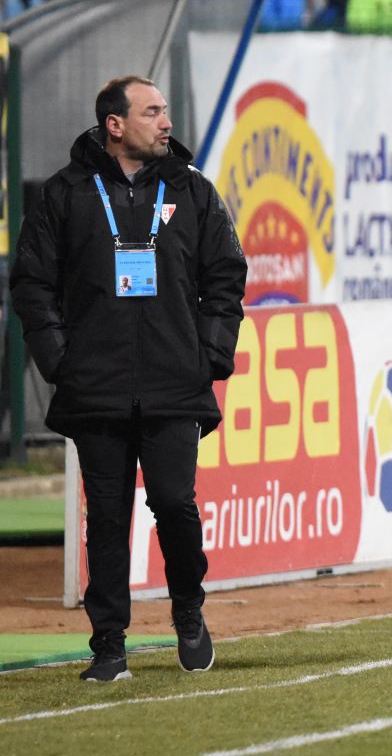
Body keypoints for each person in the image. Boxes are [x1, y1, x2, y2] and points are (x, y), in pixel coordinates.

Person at [10, 76, 247, 682]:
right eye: (152, 112)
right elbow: (32, 284)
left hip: (175, 382)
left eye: (165, 110)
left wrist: (209, 356)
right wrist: (61, 362)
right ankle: (109, 646)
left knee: (174, 503)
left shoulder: (192, 190)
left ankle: (188, 609)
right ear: (114, 125)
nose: (166, 122)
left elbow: (226, 276)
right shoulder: (66, 193)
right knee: (108, 519)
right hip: (96, 385)